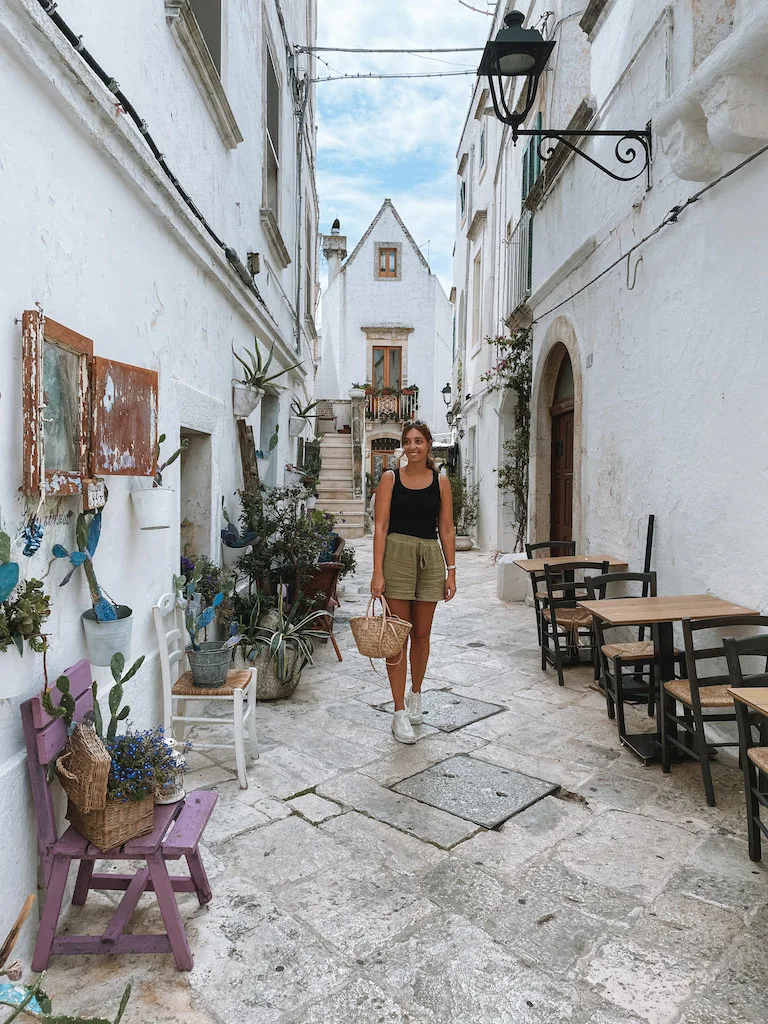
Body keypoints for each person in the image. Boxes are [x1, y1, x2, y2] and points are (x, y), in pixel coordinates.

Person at [370, 422, 457, 743]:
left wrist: (452, 570)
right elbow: (380, 528)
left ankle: (416, 695)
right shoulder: (390, 479)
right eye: (408, 441)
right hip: (397, 558)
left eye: (418, 441)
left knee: (422, 635)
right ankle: (397, 712)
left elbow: (446, 529)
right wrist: (377, 572)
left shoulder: (442, 482)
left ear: (429, 444)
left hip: (430, 560)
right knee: (397, 637)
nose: (412, 446)